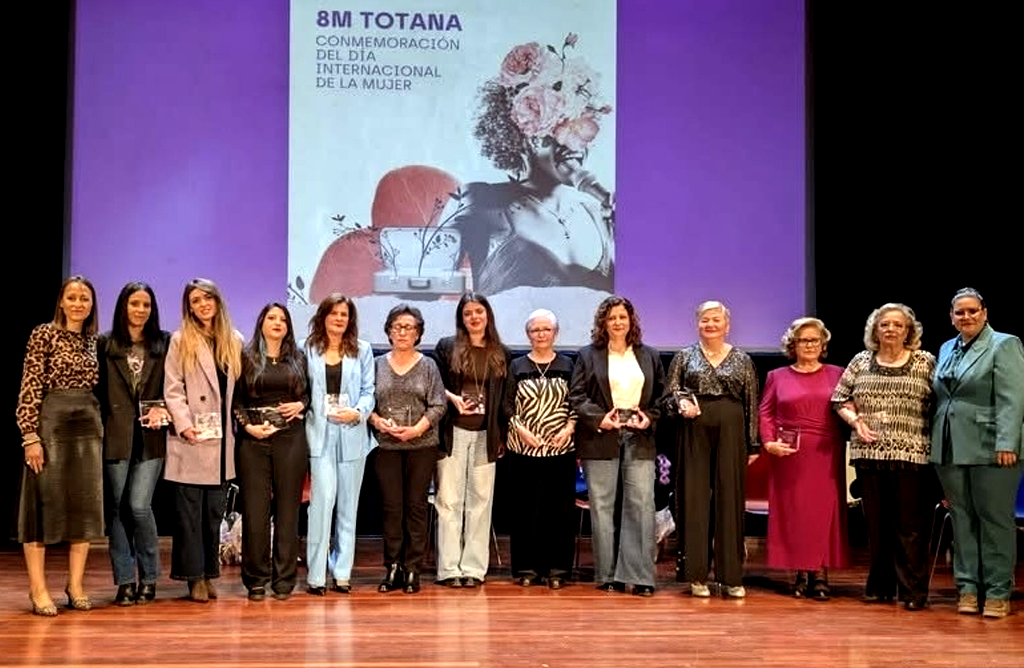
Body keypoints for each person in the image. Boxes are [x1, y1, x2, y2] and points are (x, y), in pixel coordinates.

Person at [440, 34, 615, 294]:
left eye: (580, 132)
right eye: (560, 131)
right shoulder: (481, 200)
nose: (572, 146)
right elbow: (426, 285)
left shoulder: (598, 212)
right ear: (526, 133)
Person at [832, 303, 936, 610]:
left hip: (913, 454)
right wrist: (855, 422)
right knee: (876, 526)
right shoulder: (861, 360)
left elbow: (941, 401)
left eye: (897, 325)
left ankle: (913, 592)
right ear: (874, 330)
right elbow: (839, 398)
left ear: (909, 331)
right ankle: (880, 586)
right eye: (884, 324)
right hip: (869, 453)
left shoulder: (925, 362)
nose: (890, 329)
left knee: (910, 528)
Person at [931, 288, 1024, 619]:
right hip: (950, 445)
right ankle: (968, 588)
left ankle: (998, 591)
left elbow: (1013, 398)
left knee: (995, 521)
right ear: (951, 316)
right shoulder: (945, 348)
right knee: (962, 520)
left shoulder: (1004, 344)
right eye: (959, 312)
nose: (966, 317)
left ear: (984, 312)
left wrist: (1007, 442)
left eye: (972, 311)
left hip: (991, 446)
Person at [17, 276, 103, 616]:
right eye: (72, 297)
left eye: (85, 298)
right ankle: (38, 590)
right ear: (61, 302)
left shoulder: (92, 341)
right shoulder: (43, 333)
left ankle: (76, 585)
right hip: (51, 423)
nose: (79, 303)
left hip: (88, 427)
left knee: (83, 508)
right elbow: (30, 384)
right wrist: (30, 436)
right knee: (41, 506)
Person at [570, 296, 664, 596]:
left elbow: (662, 398)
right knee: (602, 507)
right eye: (612, 318)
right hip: (601, 437)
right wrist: (601, 419)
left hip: (639, 437)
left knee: (641, 505)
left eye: (622, 317)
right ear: (603, 323)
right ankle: (608, 574)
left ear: (631, 321)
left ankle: (640, 576)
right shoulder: (588, 355)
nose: (618, 322)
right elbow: (577, 396)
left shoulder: (649, 355)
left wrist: (648, 418)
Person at [667, 300, 759, 599]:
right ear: (698, 324)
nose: (710, 324)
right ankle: (696, 575)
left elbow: (751, 404)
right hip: (694, 427)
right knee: (693, 498)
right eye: (705, 319)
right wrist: (680, 404)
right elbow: (669, 395)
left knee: (729, 498)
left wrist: (753, 442)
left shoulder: (743, 359)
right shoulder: (684, 356)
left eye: (716, 319)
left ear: (727, 325)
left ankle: (731, 576)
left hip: (731, 428)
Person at [163, 278, 243, 603]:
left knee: (213, 514)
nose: (203, 304)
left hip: (223, 443)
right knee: (189, 516)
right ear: (189, 307)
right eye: (196, 300)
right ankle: (193, 578)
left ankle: (210, 573)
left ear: (217, 301)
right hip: (192, 439)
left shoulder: (234, 340)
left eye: (207, 298)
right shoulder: (181, 340)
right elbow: (172, 388)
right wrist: (183, 425)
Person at [758, 317, 848, 600]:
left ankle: (820, 572)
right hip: (789, 454)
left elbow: (848, 407)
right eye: (803, 340)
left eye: (814, 340)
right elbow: (766, 412)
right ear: (792, 344)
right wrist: (769, 442)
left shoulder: (839, 374)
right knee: (794, 513)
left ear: (823, 345)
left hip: (825, 452)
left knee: (823, 512)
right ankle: (799, 571)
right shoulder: (776, 376)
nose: (809, 345)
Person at [96, 282, 170, 606]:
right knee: (115, 510)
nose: (140, 310)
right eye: (134, 303)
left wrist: (164, 405)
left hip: (151, 438)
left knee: (138, 506)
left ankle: (150, 577)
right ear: (123, 307)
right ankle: (125, 580)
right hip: (116, 436)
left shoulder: (164, 343)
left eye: (146, 305)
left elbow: (176, 384)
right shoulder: (105, 344)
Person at [433, 292, 512, 587]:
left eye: (479, 311)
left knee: (480, 500)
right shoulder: (446, 347)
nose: (474, 317)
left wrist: (502, 435)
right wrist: (451, 397)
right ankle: (449, 568)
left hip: (485, 436)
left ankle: (474, 568)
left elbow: (503, 399)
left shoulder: (501, 352)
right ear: (461, 318)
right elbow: (432, 384)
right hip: (453, 433)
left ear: (487, 315)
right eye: (468, 313)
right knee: (449, 500)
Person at [369, 305, 446, 594]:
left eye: (409, 327)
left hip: (421, 446)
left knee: (415, 507)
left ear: (418, 334)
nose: (403, 332)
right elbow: (367, 404)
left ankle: (413, 568)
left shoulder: (428, 366)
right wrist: (377, 421)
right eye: (397, 326)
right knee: (391, 508)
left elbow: (439, 404)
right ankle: (393, 568)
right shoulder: (376, 364)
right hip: (387, 446)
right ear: (388, 330)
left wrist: (417, 429)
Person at [234, 303, 309, 601]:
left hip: (291, 440)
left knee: (289, 512)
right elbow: (236, 401)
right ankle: (255, 579)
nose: (277, 323)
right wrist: (248, 428)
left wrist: (301, 404)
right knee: (255, 513)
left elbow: (309, 395)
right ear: (261, 323)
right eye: (271, 318)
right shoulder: (246, 357)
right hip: (253, 442)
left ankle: (284, 579)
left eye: (283, 319)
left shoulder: (299, 358)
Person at [303, 293, 375, 595]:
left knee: (348, 507)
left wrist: (358, 411)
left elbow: (369, 390)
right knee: (321, 505)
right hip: (319, 434)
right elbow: (301, 390)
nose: (339, 319)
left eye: (344, 314)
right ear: (323, 316)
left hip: (352, 433)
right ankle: (316, 575)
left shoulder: (363, 350)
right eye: (334, 313)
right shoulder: (308, 349)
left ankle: (342, 572)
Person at [508, 309, 577, 589]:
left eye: (546, 329)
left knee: (558, 511)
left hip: (560, 448)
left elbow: (578, 402)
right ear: (528, 334)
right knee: (525, 510)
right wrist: (520, 430)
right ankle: (527, 568)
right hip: (523, 447)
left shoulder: (569, 364)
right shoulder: (516, 366)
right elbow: (505, 405)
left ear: (555, 333)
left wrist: (569, 427)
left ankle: (557, 569)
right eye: (535, 330)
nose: (541, 334)